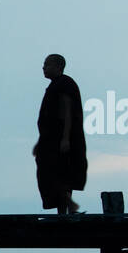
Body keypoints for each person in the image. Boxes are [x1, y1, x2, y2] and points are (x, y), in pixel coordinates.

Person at [32, 53, 87, 215]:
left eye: (47, 65)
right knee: (49, 173)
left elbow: (67, 112)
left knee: (61, 173)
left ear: (58, 67)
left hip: (62, 140)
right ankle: (65, 209)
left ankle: (68, 208)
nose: (43, 68)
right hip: (50, 140)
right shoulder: (55, 85)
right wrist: (39, 142)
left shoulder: (65, 84)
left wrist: (65, 139)